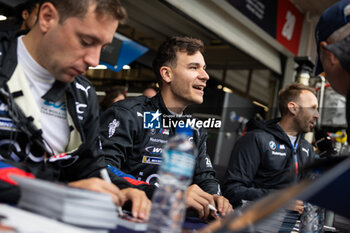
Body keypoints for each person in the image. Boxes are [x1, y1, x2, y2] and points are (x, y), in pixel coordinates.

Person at [0, 0, 150, 220]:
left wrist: (119, 193)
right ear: (47, 17)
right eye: (86, 41)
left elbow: (90, 169)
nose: (94, 60)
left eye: (103, 47)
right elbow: (71, 187)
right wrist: (61, 192)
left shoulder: (82, 92)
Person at [100, 36, 232, 220]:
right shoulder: (128, 114)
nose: (205, 76)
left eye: (204, 68)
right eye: (194, 67)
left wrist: (216, 198)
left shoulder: (195, 129)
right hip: (124, 219)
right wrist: (164, 195)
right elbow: (104, 168)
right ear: (167, 74)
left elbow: (205, 177)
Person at [223, 83, 319, 211]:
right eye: (312, 108)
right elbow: (232, 190)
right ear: (293, 108)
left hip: (290, 226)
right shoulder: (255, 139)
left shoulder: (307, 148)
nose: (317, 115)